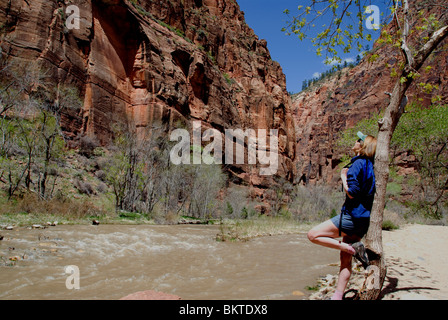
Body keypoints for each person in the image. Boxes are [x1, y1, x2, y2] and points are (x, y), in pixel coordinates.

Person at [307, 131, 376, 300]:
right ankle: (337, 296)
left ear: (363, 146)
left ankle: (352, 249)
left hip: (351, 218)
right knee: (345, 261)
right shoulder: (369, 164)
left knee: (312, 235)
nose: (355, 141)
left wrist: (343, 177)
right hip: (362, 221)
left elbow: (352, 193)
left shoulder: (358, 164)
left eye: (358, 140)